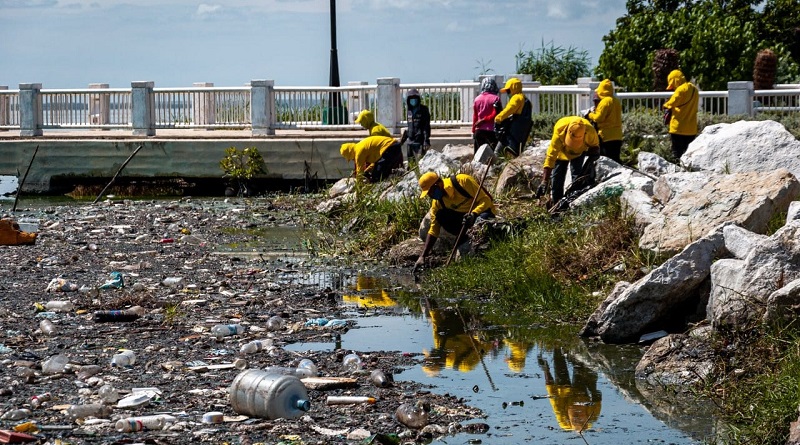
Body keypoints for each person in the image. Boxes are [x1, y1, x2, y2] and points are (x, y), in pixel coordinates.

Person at [414, 172, 495, 270]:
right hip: (465, 221)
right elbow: (434, 230)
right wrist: (423, 256)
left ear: (438, 183)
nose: (431, 195)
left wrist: (474, 214)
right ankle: (465, 237)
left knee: (480, 223)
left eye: (431, 191)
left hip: (481, 214)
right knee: (441, 215)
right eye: (429, 194)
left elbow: (486, 200)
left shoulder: (462, 181)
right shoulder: (437, 203)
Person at [538, 347, 602, 432]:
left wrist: (546, 370)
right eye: (579, 415)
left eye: (575, 415)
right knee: (579, 366)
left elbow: (552, 396)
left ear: (568, 415)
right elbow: (597, 395)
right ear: (587, 415)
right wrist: (590, 382)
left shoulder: (562, 419)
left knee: (558, 359)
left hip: (564, 393)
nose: (577, 414)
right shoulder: (592, 415)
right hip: (581, 392)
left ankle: (557, 344)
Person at [541, 116, 600, 205]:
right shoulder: (559, 130)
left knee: (577, 177)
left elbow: (595, 147)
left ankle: (575, 202)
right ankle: (557, 204)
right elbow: (550, 157)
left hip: (579, 153)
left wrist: (590, 163)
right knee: (557, 178)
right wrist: (544, 182)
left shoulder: (590, 132)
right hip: (562, 153)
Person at [663, 69, 699, 161]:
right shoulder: (694, 89)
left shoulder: (680, 90)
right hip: (691, 129)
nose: (673, 88)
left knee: (677, 154)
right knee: (689, 154)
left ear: (675, 81)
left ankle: (678, 170)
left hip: (678, 128)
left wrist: (665, 105)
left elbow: (670, 104)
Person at [494, 77, 533, 157]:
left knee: (497, 153)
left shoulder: (516, 98)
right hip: (521, 135)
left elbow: (509, 109)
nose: (508, 93)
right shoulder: (526, 100)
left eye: (508, 91)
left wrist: (498, 118)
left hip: (512, 133)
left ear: (513, 89)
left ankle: (494, 167)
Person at [586, 79, 623, 163]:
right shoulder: (616, 101)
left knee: (607, 161)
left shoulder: (605, 102)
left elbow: (599, 118)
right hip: (617, 135)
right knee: (616, 160)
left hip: (606, 136)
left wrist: (589, 115)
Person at [472, 78, 502, 153]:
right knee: (491, 155)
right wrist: (484, 120)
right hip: (492, 131)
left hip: (479, 131)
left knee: (478, 155)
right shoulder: (496, 99)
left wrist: (473, 129)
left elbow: (475, 116)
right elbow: (496, 114)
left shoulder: (477, 99)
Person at [403, 89, 431, 163]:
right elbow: (409, 126)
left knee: (421, 162)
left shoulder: (424, 110)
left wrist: (426, 140)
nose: (413, 100)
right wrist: (403, 139)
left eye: (415, 98)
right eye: (411, 98)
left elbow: (426, 126)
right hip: (410, 141)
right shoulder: (409, 111)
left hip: (420, 141)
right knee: (411, 163)